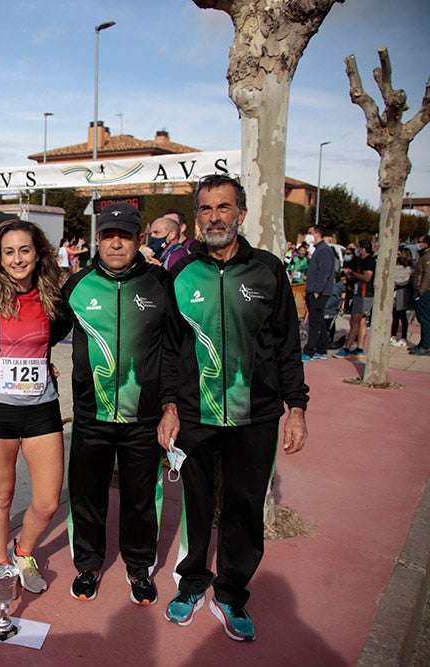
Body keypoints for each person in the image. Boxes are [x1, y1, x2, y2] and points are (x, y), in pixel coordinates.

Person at [160, 175, 308, 642]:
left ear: (240, 214)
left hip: (256, 415)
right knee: (198, 504)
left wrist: (296, 407)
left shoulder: (267, 270)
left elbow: (287, 344)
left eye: (224, 208)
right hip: (196, 413)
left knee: (244, 506)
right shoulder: (181, 273)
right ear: (197, 217)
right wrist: (168, 405)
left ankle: (230, 594)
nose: (215, 217)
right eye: (206, 209)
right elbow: (169, 348)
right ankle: (192, 584)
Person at [62, 202, 176, 606]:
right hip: (91, 415)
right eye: (108, 235)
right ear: (97, 240)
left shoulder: (161, 284)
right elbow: (41, 328)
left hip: (143, 417)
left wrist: (170, 405)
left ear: (138, 240)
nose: (115, 243)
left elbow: (175, 350)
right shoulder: (77, 285)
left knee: (142, 498)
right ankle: (89, 565)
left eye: (124, 236)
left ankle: (139, 567)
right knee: (86, 495)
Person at [0, 219, 72, 594]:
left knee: (46, 501)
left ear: (38, 253)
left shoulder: (52, 296)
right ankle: (1, 565)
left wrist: (41, 360)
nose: (17, 259)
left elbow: (52, 336)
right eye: (8, 251)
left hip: (41, 406)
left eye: (24, 250)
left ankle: (23, 550)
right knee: (1, 495)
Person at [335, 239, 375, 359]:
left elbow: (367, 278)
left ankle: (347, 347)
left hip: (364, 294)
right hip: (358, 292)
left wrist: (353, 273)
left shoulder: (369, 261)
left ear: (363, 248)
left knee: (355, 321)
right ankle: (359, 348)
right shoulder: (360, 261)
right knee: (362, 321)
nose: (357, 250)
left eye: (359, 248)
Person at [302, 225, 336, 361]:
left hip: (318, 292)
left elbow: (324, 272)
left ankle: (309, 351)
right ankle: (322, 348)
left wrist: (317, 290)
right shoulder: (318, 250)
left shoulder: (324, 250)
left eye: (310, 233)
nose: (308, 235)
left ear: (317, 234)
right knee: (319, 320)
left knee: (314, 322)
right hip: (313, 290)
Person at [410, 235, 430, 355]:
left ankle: (426, 345)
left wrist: (421, 291)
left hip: (424, 293)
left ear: (426, 244)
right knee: (423, 319)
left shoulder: (427, 256)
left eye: (419, 242)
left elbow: (428, 275)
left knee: (425, 319)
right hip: (421, 292)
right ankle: (423, 343)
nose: (417, 244)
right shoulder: (423, 256)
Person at [391, 247, 414, 348]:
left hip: (403, 293)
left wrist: (397, 283)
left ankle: (404, 337)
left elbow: (406, 280)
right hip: (395, 293)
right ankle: (393, 335)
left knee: (402, 316)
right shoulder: (396, 266)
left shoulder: (410, 268)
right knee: (395, 315)